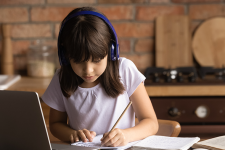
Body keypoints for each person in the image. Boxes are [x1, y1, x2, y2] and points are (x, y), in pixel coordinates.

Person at [42, 6, 158, 147]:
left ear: (111, 51)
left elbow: (151, 123)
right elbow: (55, 124)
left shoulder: (125, 70)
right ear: (66, 57)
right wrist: (72, 134)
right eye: (78, 61)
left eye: (96, 60)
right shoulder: (61, 78)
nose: (88, 70)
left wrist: (126, 135)